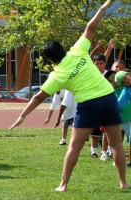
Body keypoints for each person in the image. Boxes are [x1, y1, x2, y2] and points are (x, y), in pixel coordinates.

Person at [9, 0, 128, 192]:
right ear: (63, 48)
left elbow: (38, 97)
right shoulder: (78, 50)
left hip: (88, 105)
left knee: (74, 147)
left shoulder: (57, 75)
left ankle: (63, 185)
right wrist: (103, 8)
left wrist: (22, 116)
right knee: (116, 144)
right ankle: (123, 183)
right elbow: (90, 27)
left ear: (49, 59)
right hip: (108, 98)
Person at [115, 70, 131, 167]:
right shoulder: (126, 91)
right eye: (123, 82)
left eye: (126, 78)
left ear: (129, 74)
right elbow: (119, 105)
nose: (126, 81)